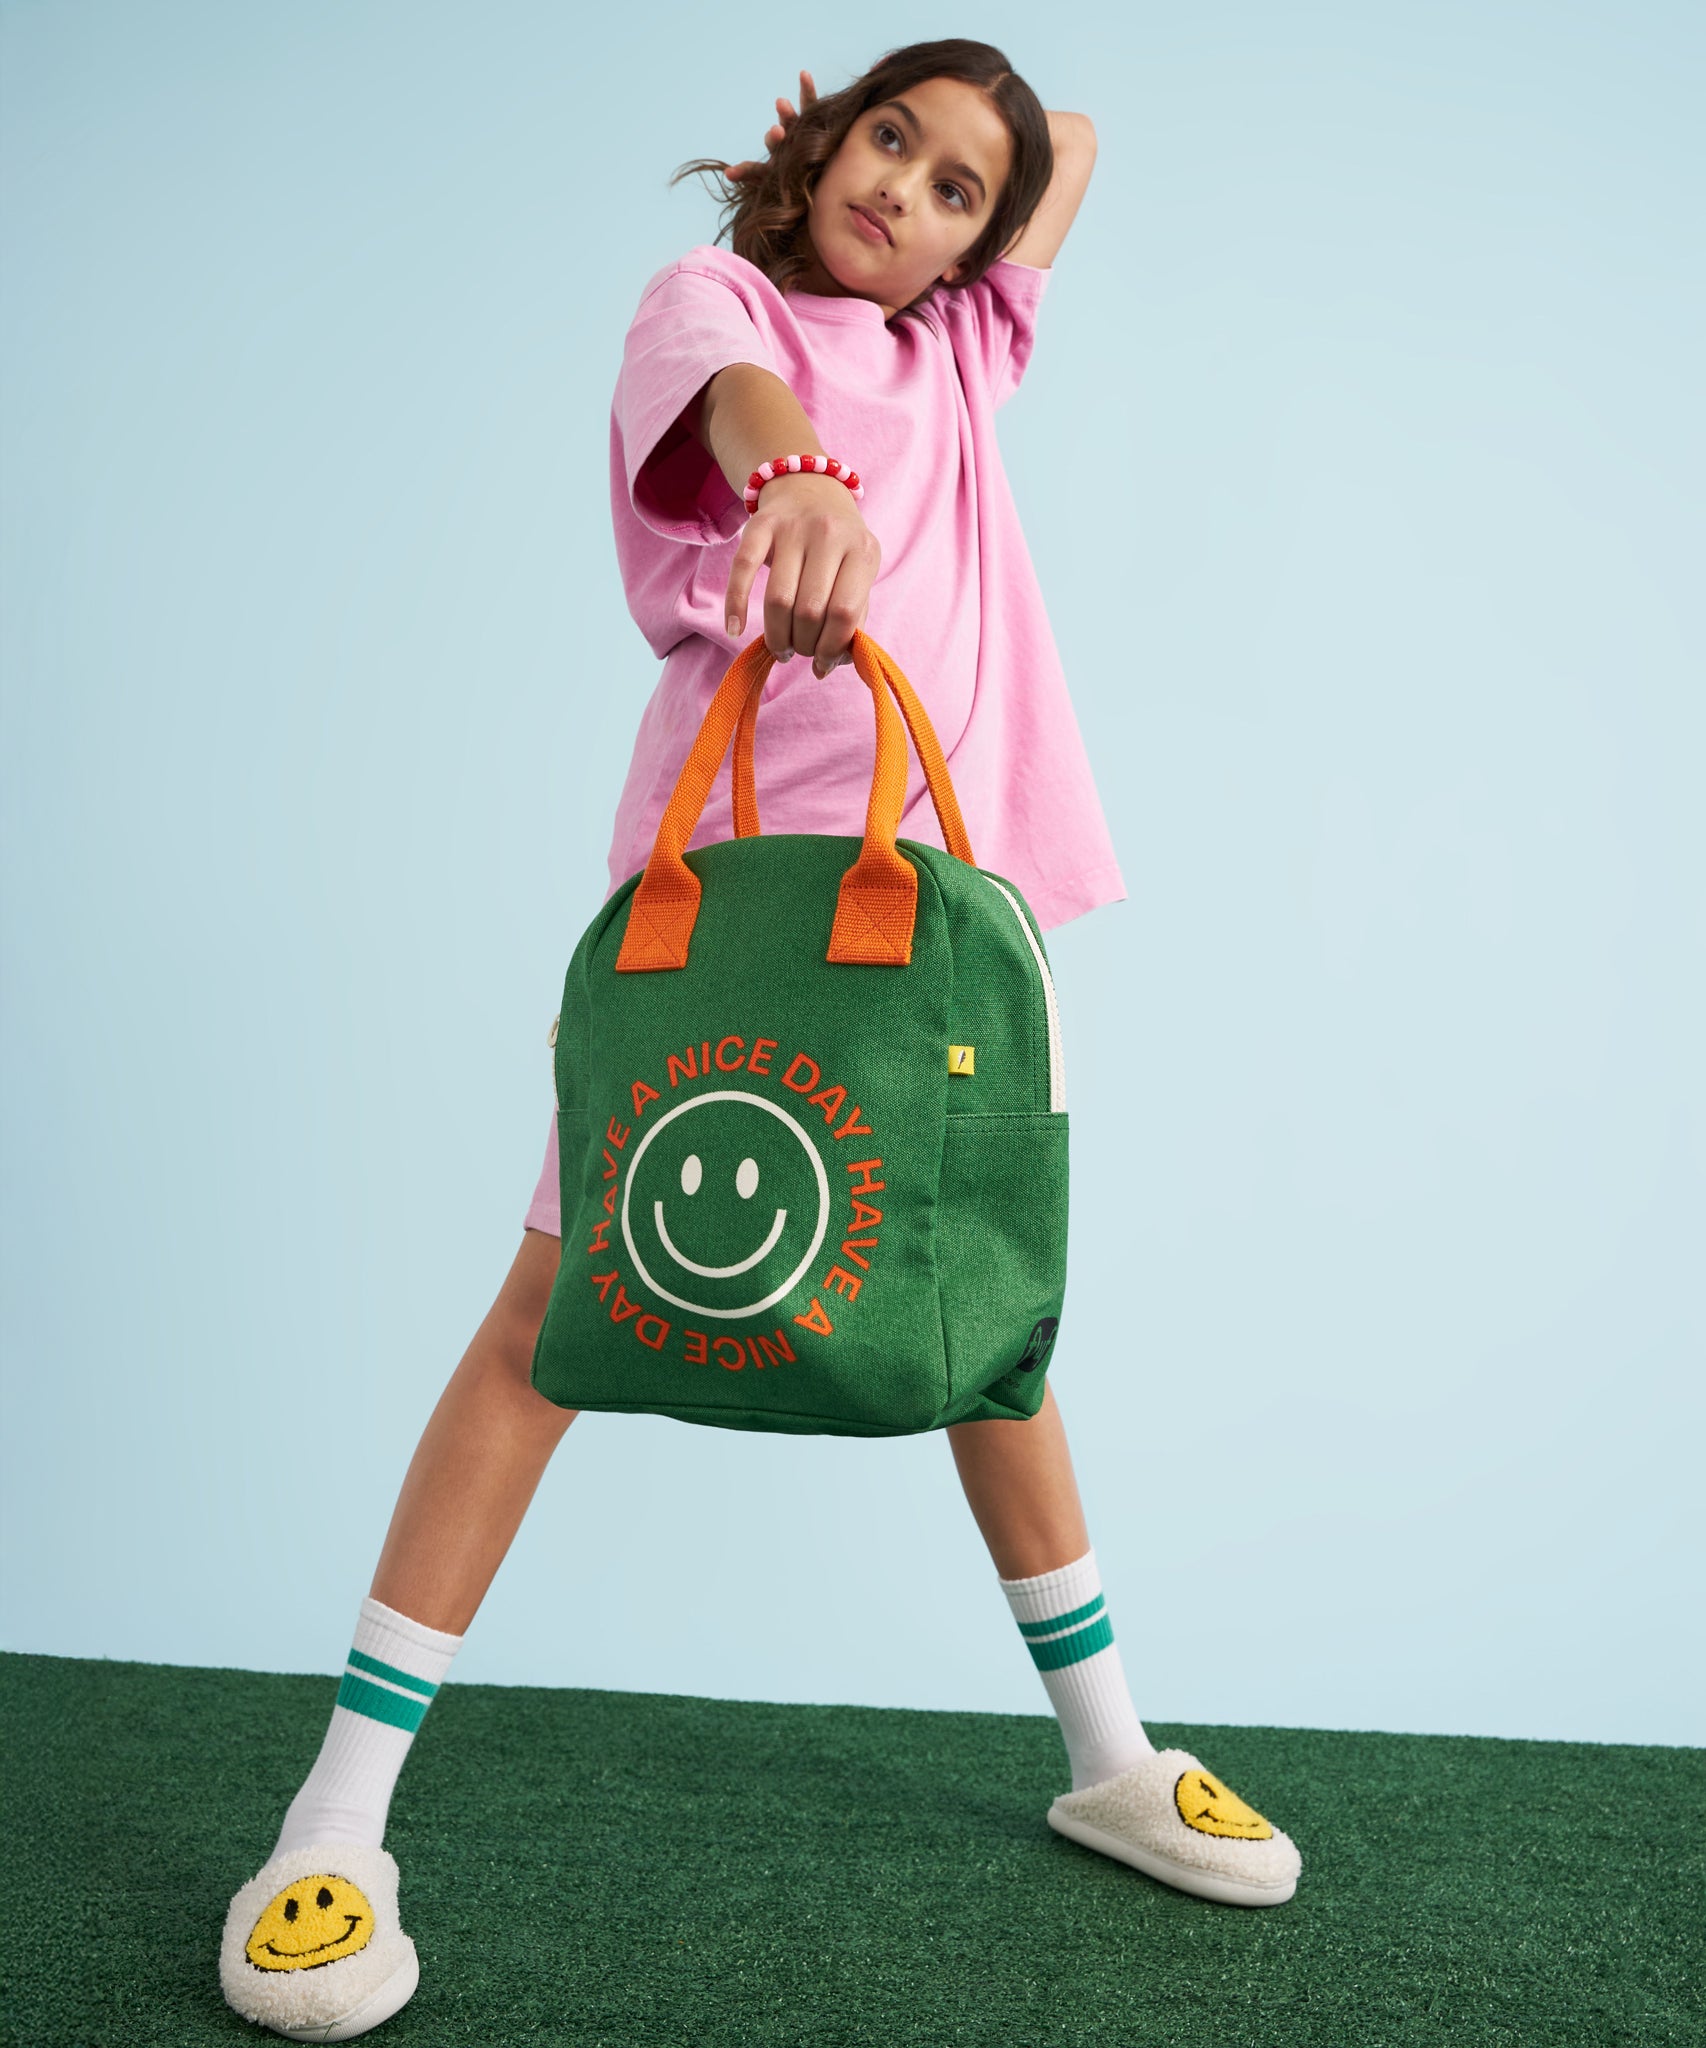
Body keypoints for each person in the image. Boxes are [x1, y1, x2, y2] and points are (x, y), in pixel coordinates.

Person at [219, 40, 1301, 2042]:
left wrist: (998, 186)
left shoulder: (970, 355)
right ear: (820, 142)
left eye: (958, 183)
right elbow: (734, 408)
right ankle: (329, 1822)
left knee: (991, 1315)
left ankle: (1109, 1758)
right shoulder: (715, 313)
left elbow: (1086, 156)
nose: (908, 184)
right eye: (886, 134)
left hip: (961, 940)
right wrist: (796, 471)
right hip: (737, 929)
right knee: (554, 1309)